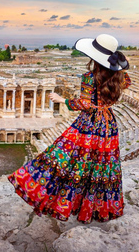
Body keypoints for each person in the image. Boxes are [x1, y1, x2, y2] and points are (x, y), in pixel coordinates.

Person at [8, 34, 131, 224]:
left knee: (65, 158)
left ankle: (62, 200)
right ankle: (97, 209)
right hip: (108, 125)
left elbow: (84, 104)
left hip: (89, 125)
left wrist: (62, 100)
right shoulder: (120, 77)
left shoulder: (90, 78)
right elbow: (126, 83)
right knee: (102, 166)